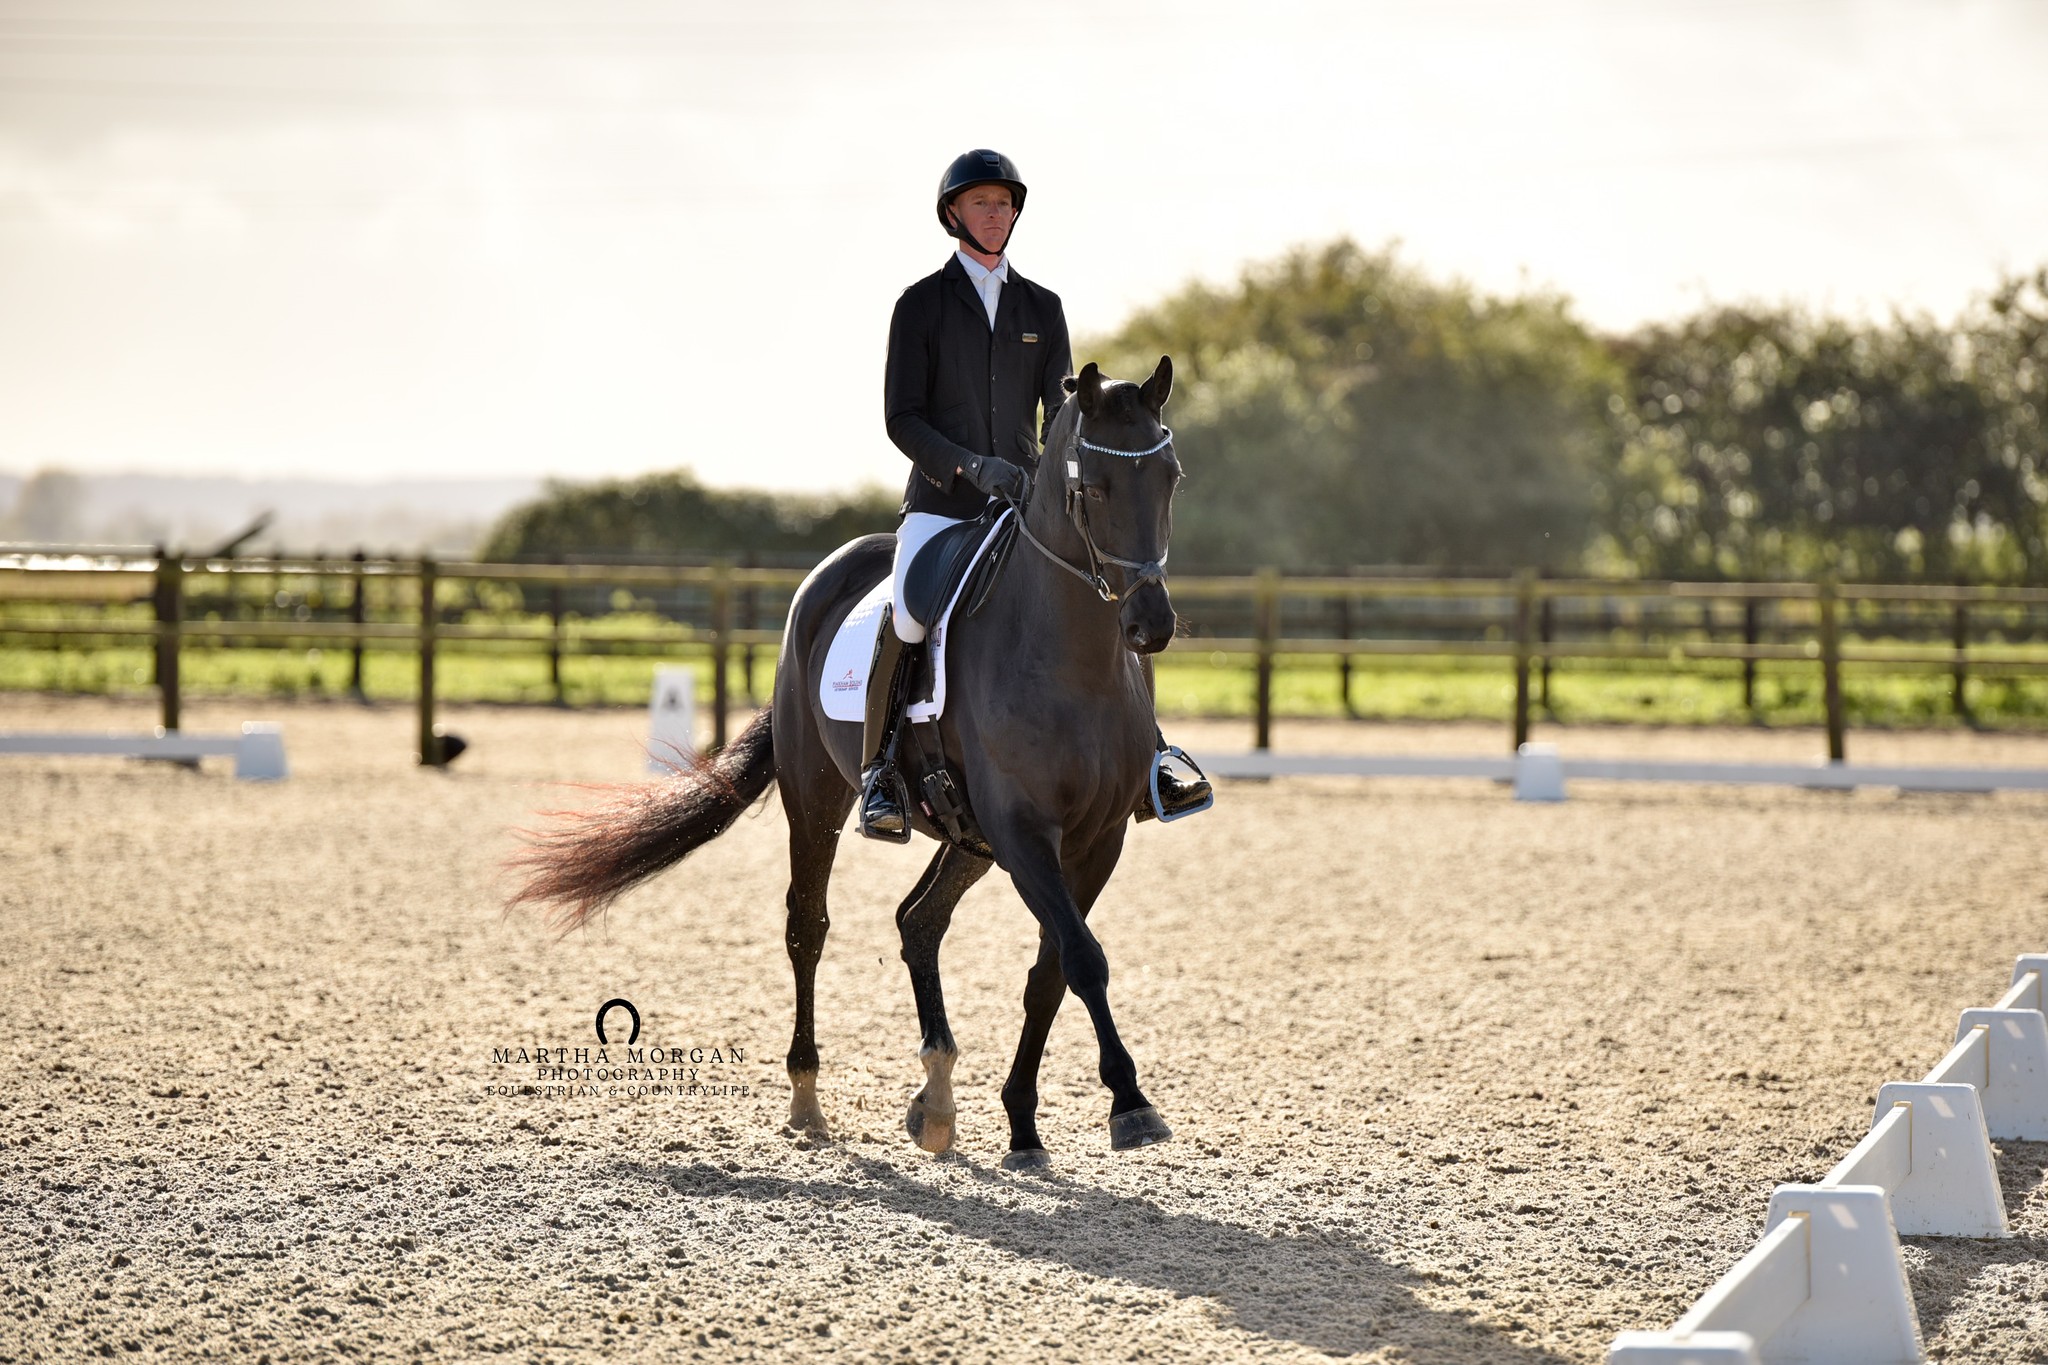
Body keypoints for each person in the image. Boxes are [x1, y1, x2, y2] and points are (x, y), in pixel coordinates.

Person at [859, 148, 1211, 840]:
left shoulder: (1041, 307)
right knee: (907, 611)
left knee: (1111, 593)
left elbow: (1061, 409)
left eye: (1005, 204)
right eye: (982, 204)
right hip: (942, 505)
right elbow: (902, 418)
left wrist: (1078, 447)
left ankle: (1151, 757)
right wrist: (969, 467)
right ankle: (881, 772)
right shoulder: (921, 306)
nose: (996, 215)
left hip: (1024, 506)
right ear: (954, 214)